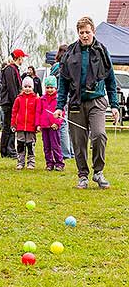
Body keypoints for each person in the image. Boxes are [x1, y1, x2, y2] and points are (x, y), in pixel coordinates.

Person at [54, 16, 119, 189]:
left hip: (96, 101)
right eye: (81, 32)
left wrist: (114, 105)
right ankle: (83, 175)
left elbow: (111, 80)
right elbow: (63, 84)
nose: (84, 35)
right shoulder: (70, 53)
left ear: (93, 32)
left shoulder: (102, 51)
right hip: (76, 103)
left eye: (87, 32)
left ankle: (98, 172)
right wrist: (59, 107)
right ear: (78, 33)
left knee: (99, 135)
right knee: (78, 141)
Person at [0, 49, 28, 159]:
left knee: (8, 126)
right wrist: (17, 102)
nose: (23, 60)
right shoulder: (10, 70)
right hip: (10, 102)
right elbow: (12, 88)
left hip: (9, 101)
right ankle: (9, 150)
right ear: (18, 58)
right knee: (10, 127)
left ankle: (6, 150)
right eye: (22, 58)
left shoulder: (13, 69)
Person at [50, 44, 74, 159]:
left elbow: (50, 81)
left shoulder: (55, 67)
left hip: (59, 96)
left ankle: (65, 153)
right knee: (70, 124)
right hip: (71, 96)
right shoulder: (71, 64)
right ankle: (72, 151)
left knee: (63, 124)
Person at [36, 75, 65, 171]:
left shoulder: (58, 100)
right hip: (44, 126)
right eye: (47, 87)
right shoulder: (42, 99)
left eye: (51, 87)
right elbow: (38, 112)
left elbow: (62, 114)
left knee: (55, 145)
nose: (49, 90)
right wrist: (38, 124)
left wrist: (57, 123)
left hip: (54, 127)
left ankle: (59, 163)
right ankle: (49, 163)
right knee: (46, 146)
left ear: (55, 88)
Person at [11, 76, 38, 170]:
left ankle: (31, 162)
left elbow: (37, 113)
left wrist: (37, 125)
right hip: (20, 126)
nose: (27, 89)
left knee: (30, 145)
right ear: (22, 87)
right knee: (20, 144)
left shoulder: (36, 99)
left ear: (32, 88)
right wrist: (13, 124)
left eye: (29, 87)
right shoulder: (18, 99)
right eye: (25, 86)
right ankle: (20, 162)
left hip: (31, 127)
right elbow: (14, 112)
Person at [0, 62, 7, 129]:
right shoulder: (0, 74)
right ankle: (2, 124)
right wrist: (4, 89)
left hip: (6, 96)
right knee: (2, 110)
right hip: (1, 95)